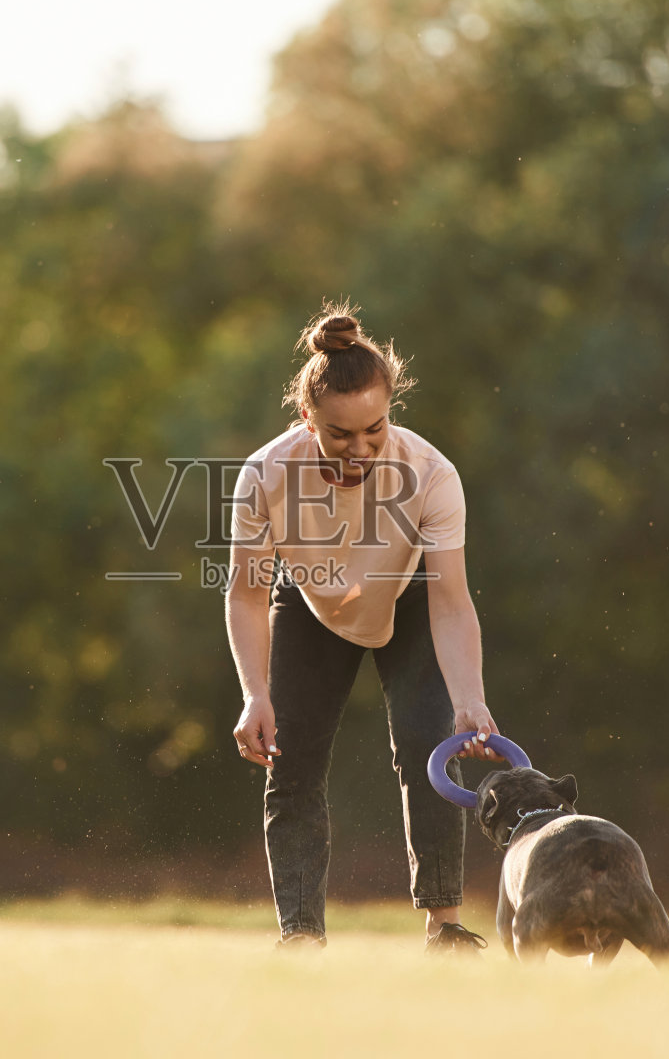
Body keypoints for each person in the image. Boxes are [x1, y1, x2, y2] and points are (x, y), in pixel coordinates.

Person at [224, 304, 500, 953]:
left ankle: (445, 927)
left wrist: (470, 698)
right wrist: (254, 694)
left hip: (404, 599)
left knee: (431, 741)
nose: (360, 448)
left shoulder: (431, 474)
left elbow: (453, 600)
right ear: (306, 420)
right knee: (289, 763)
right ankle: (300, 935)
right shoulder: (265, 475)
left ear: (389, 412)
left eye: (373, 429)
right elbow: (245, 593)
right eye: (340, 434)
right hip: (311, 603)